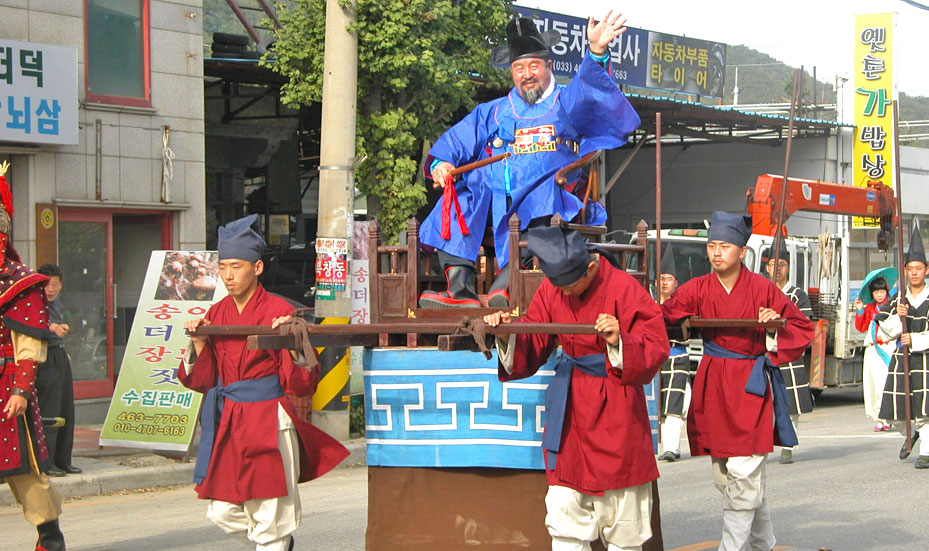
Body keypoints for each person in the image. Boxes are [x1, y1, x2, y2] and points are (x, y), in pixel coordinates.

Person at [419, 10, 641, 309]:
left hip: (545, 188)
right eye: (519, 67)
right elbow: (458, 140)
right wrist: (441, 164)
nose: (526, 74)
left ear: (548, 65)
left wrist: (597, 51)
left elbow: (590, 92)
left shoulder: (565, 101)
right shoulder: (495, 111)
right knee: (459, 196)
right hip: (495, 193)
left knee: (539, 202)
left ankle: (506, 286)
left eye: (533, 65)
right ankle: (459, 291)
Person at [483, 225, 668, 551]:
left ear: (592, 266)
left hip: (617, 407)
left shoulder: (624, 287)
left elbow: (656, 345)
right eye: (560, 287)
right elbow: (535, 335)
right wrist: (505, 332)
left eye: (571, 286)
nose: (565, 294)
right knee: (565, 515)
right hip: (570, 411)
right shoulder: (553, 289)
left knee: (623, 524)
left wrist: (619, 340)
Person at [180, 215, 349, 550]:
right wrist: (199, 342)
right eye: (224, 266)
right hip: (230, 418)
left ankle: (274, 540)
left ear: (257, 268)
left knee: (271, 512)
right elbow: (202, 379)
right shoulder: (216, 313)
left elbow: (301, 382)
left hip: (270, 418)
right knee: (222, 510)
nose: (228, 275)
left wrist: (290, 337)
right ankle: (276, 541)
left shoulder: (280, 309)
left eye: (237, 266)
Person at [661, 212, 814, 551]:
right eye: (712, 246)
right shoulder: (697, 287)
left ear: (741, 252)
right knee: (727, 479)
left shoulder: (762, 287)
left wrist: (775, 324)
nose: (717, 253)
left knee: (744, 476)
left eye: (725, 246)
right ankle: (765, 544)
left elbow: (802, 328)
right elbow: (663, 316)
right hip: (713, 382)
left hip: (750, 384)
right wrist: (682, 322)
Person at [0, 161, 67, 550]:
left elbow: (28, 346)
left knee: (25, 469)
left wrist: (22, 390)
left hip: (8, 386)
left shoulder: (23, 284)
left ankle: (50, 537)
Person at [876, 225, 929, 469]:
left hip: (927, 360)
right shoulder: (898, 298)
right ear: (905, 271)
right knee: (895, 411)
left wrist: (917, 340)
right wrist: (898, 317)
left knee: (926, 410)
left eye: (918, 269)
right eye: (910, 269)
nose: (914, 273)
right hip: (903, 359)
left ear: (926, 270)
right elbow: (884, 330)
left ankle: (926, 453)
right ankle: (911, 434)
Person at [764, 248, 814, 465]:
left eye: (782, 264)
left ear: (788, 267)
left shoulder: (797, 295)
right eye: (773, 264)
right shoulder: (761, 290)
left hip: (790, 353)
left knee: (791, 403)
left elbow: (803, 324)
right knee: (765, 401)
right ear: (767, 267)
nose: (777, 269)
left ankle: (787, 445)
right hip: (764, 352)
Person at [35, 263, 81, 477]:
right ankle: (48, 461)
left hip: (59, 353)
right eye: (45, 285)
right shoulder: (32, 302)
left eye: (55, 284)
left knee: (66, 408)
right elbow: (31, 327)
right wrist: (51, 327)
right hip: (42, 357)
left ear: (61, 285)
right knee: (49, 411)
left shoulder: (57, 303)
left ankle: (64, 460)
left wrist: (64, 350)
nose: (50, 289)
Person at [655, 245, 692, 462]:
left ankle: (671, 448)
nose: (666, 282)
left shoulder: (682, 304)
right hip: (655, 359)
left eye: (670, 278)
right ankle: (656, 447)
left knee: (674, 404)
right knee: (656, 404)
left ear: (676, 282)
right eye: (662, 278)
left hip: (677, 357)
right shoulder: (648, 303)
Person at [853, 276, 894, 432]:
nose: (879, 295)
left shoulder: (891, 307)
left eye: (882, 291)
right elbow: (861, 327)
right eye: (876, 292)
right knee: (872, 385)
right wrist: (860, 310)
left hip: (887, 348)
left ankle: (888, 417)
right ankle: (879, 418)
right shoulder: (870, 308)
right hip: (872, 350)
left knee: (884, 384)